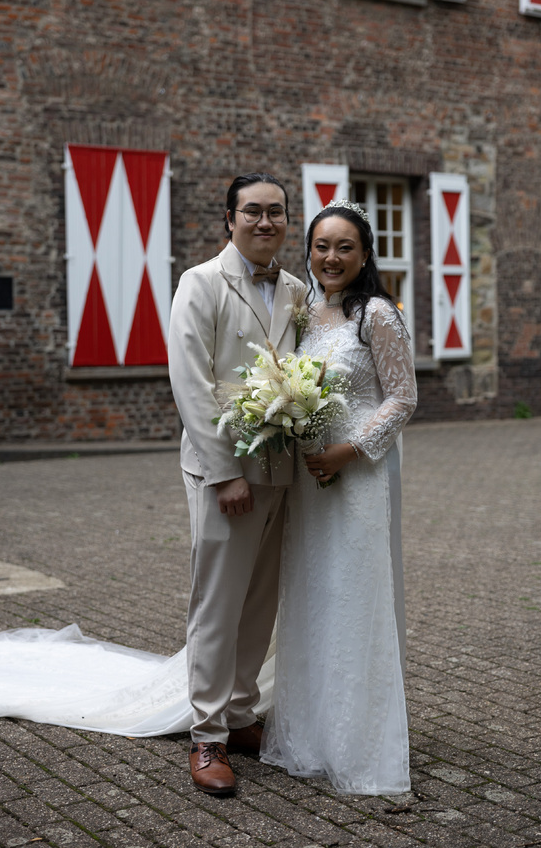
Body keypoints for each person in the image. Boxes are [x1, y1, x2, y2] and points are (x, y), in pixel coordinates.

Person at [260, 199, 417, 795]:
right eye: (321, 246)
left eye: (344, 247)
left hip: (357, 475)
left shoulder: (377, 313)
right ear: (309, 251)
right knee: (312, 592)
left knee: (354, 595)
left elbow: (402, 398)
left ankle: (357, 740)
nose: (331, 257)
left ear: (365, 253)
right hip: (309, 478)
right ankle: (309, 730)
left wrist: (348, 452)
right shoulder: (305, 311)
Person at [167, 172, 305, 796]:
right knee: (218, 603)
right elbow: (191, 384)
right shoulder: (200, 283)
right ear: (230, 219)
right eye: (253, 211)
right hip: (223, 472)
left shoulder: (296, 289)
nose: (265, 221)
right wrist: (224, 473)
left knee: (260, 601)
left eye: (276, 211)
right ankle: (207, 735)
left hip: (280, 470)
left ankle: (242, 712)